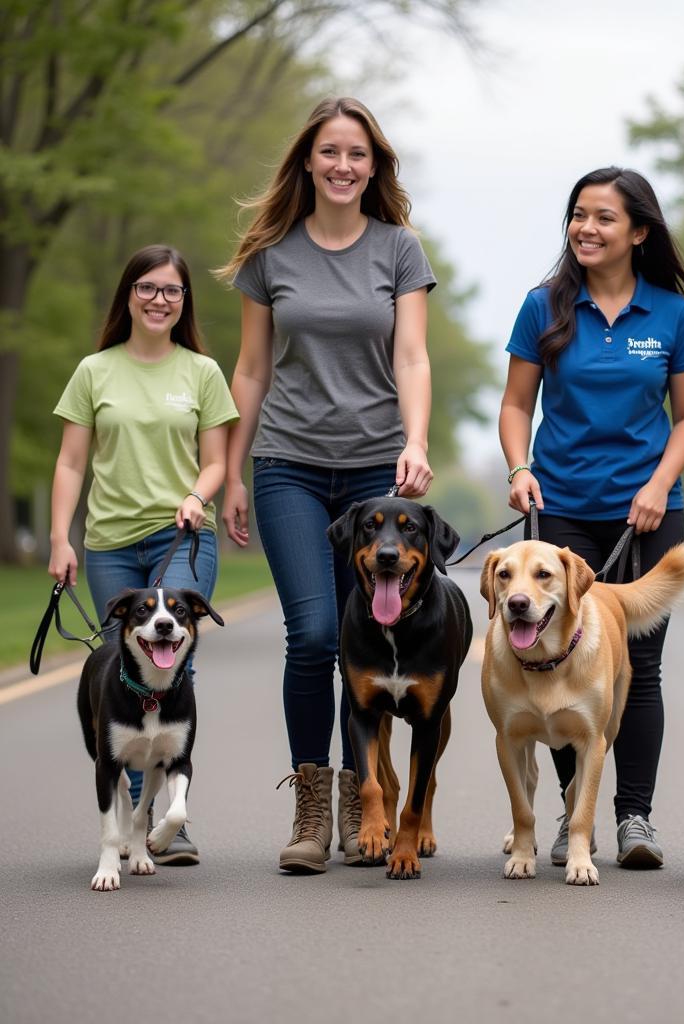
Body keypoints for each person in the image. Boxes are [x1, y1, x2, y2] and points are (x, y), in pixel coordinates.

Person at [216, 97, 436, 875]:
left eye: (358, 155)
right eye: (330, 152)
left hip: (379, 469)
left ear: (374, 167)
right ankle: (313, 802)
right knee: (312, 635)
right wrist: (234, 472)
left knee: (365, 636)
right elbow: (251, 369)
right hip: (289, 464)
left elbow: (411, 356)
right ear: (307, 161)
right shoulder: (271, 254)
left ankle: (362, 795)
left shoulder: (399, 250)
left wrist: (415, 440)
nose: (344, 166)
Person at [499, 166, 684, 869]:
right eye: (577, 215)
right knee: (554, 668)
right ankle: (572, 817)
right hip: (560, 516)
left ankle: (636, 819)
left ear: (639, 232)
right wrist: (519, 467)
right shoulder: (543, 308)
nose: (585, 228)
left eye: (603, 218)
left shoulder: (671, 316)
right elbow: (514, 406)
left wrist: (659, 485)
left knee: (637, 670)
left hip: (648, 514)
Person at [49, 244, 239, 865]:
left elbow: (215, 462)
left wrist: (194, 495)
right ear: (129, 294)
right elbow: (72, 461)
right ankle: (138, 820)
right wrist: (59, 538)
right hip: (108, 542)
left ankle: (169, 815)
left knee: (169, 647)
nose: (160, 299)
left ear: (185, 302)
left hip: (180, 533)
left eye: (173, 291)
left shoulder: (201, 373)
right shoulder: (94, 370)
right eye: (148, 288)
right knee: (123, 671)